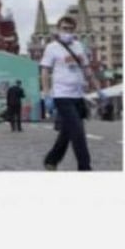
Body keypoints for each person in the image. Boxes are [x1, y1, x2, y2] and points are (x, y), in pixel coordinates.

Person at [41, 16, 105, 171]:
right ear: (58, 29)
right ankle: (85, 168)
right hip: (62, 96)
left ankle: (51, 160)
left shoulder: (79, 46)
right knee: (77, 131)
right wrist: (47, 94)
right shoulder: (52, 47)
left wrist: (98, 89)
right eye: (64, 28)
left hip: (78, 95)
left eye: (70, 29)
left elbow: (87, 69)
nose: (68, 32)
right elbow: (45, 71)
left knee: (67, 131)